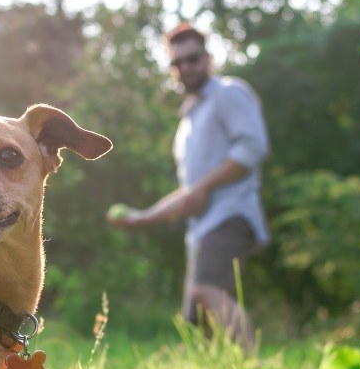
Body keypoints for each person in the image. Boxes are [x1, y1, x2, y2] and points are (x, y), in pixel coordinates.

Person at [108, 22, 270, 349]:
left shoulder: (228, 93)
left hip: (231, 215)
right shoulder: (190, 119)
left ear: (208, 58)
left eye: (192, 59)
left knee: (206, 293)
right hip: (201, 229)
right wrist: (142, 217)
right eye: (177, 63)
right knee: (198, 318)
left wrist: (204, 187)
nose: (185, 68)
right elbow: (190, 192)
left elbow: (253, 148)